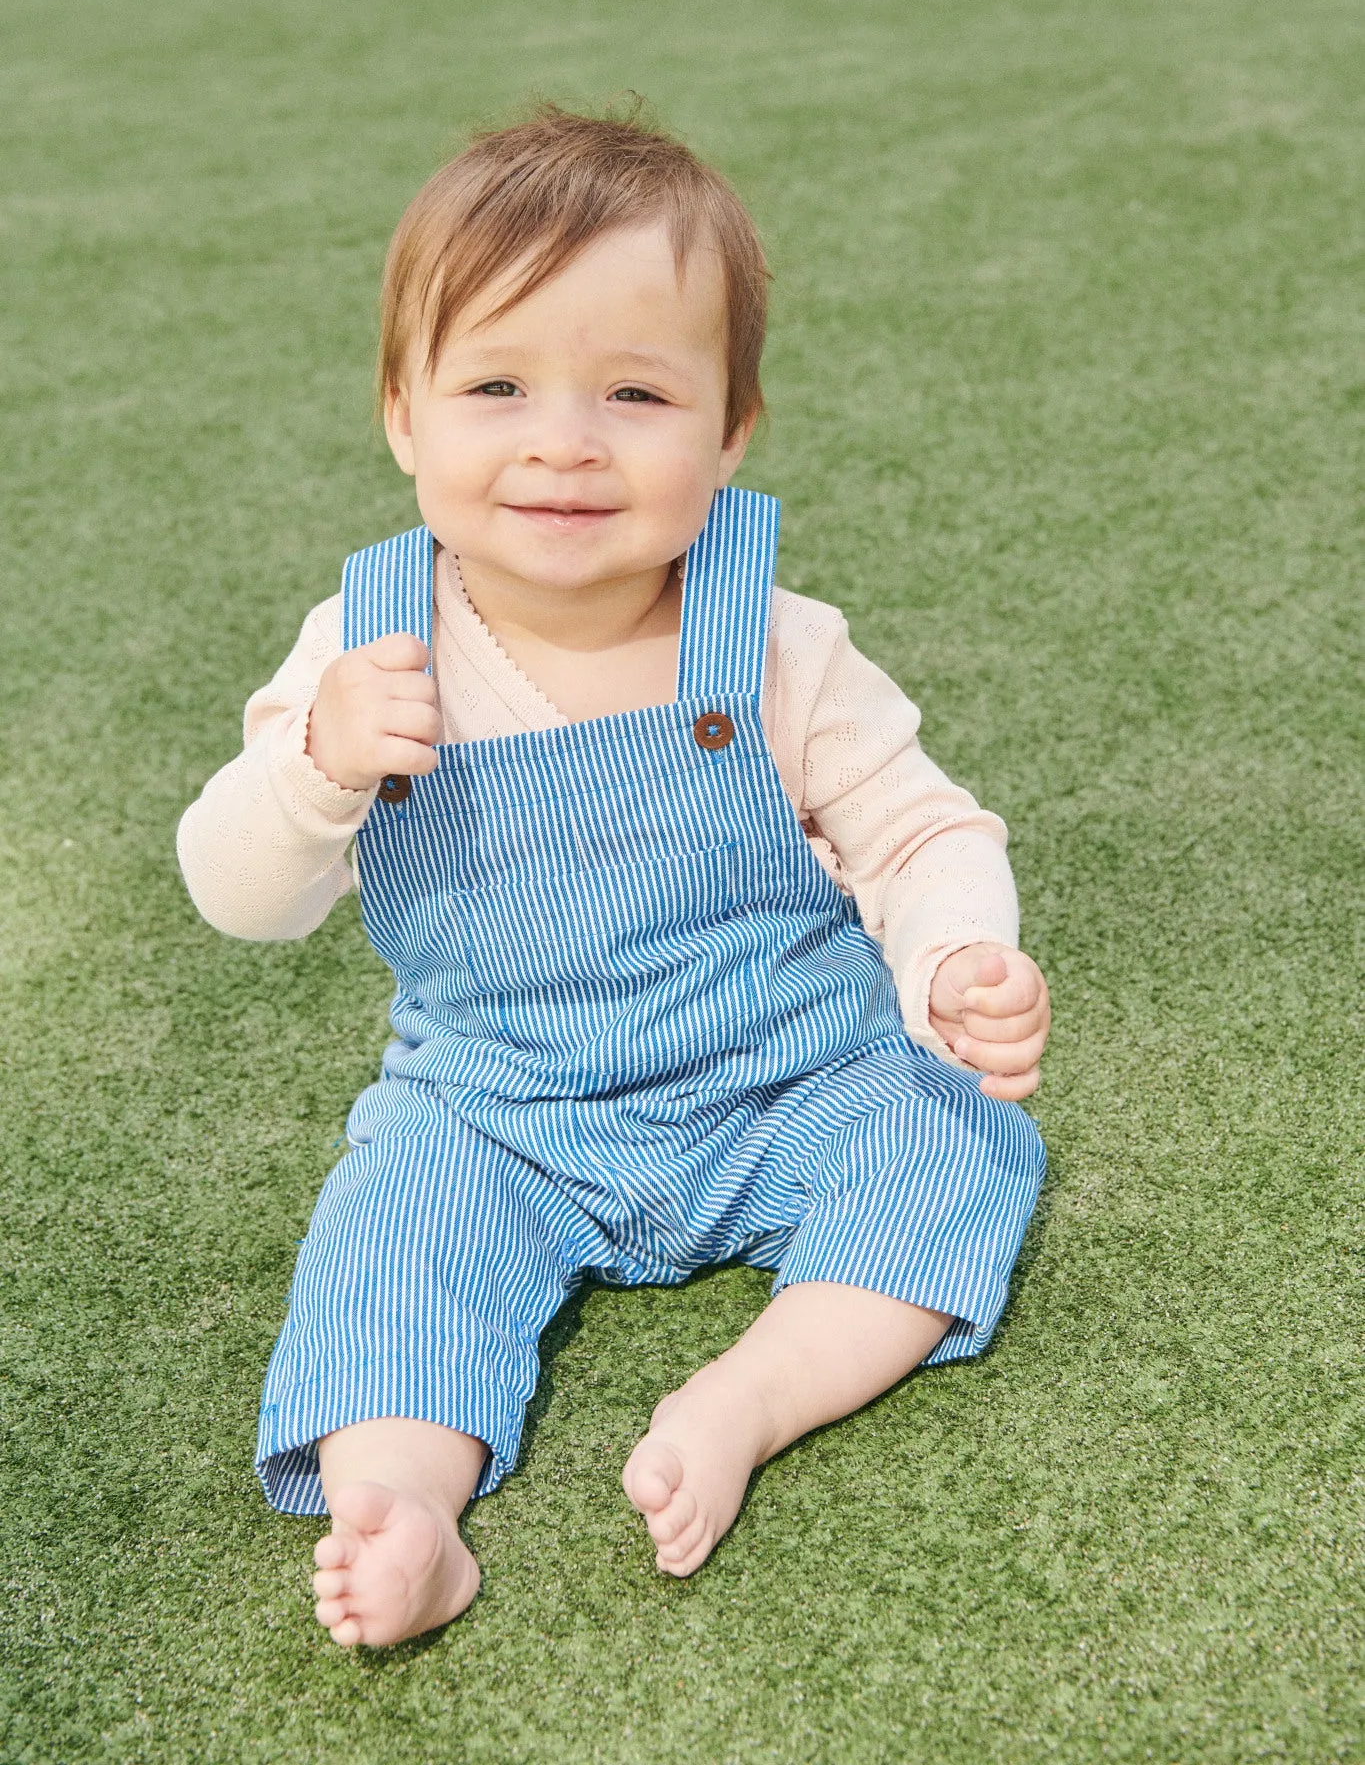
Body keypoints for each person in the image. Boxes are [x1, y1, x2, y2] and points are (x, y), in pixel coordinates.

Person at [177, 107, 1050, 1649]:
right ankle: (409, 1507)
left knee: (953, 1145)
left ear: (729, 432)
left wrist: (953, 964)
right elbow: (243, 895)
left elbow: (921, 831)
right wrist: (313, 767)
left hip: (790, 1079)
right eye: (496, 385)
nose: (564, 441)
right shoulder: (368, 647)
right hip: (500, 1110)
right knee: (392, 1237)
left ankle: (747, 1400)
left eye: (636, 394)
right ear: (402, 414)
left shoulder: (775, 641)